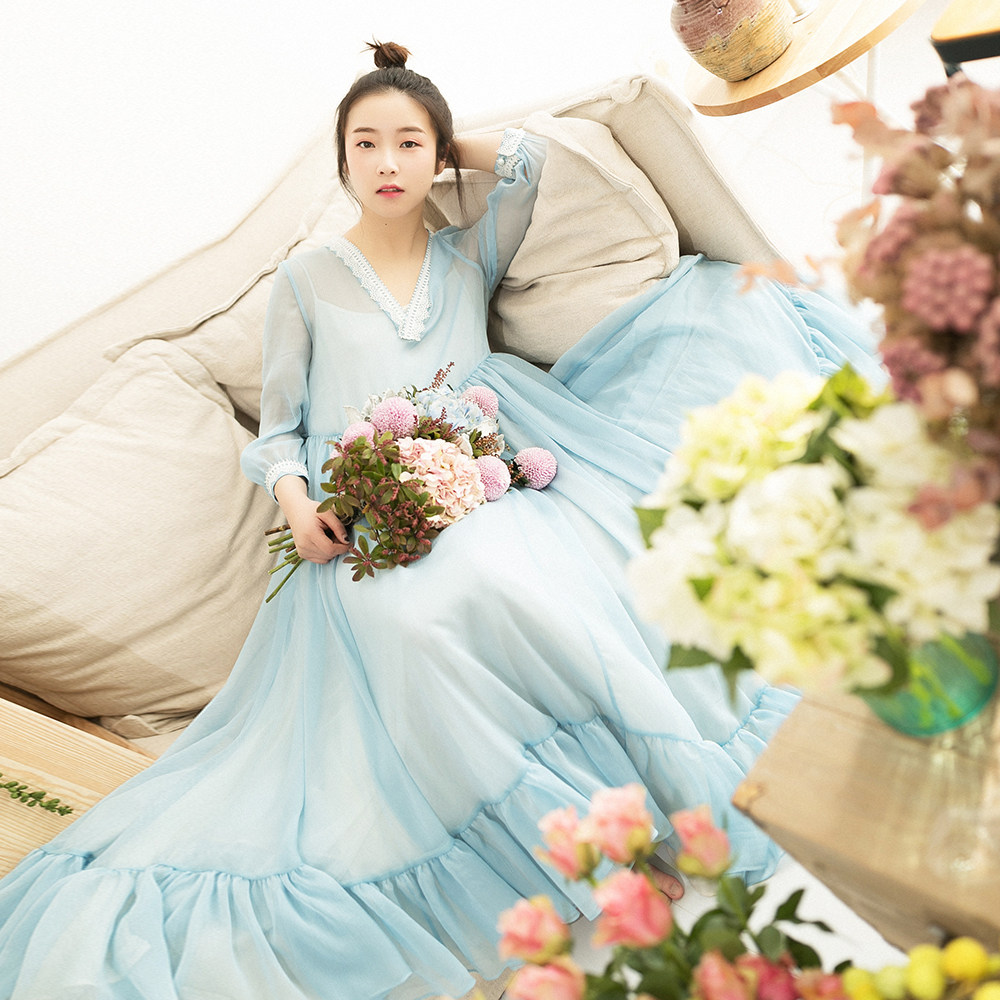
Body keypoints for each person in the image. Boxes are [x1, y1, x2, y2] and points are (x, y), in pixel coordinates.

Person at [0, 41, 882, 1000]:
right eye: (365, 145)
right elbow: (283, 428)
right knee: (426, 622)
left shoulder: (468, 250)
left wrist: (439, 136)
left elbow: (536, 165)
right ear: (341, 160)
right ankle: (589, 851)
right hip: (364, 508)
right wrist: (298, 506)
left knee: (531, 588)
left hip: (492, 467)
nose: (386, 163)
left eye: (407, 144)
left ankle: (635, 825)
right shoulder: (308, 279)